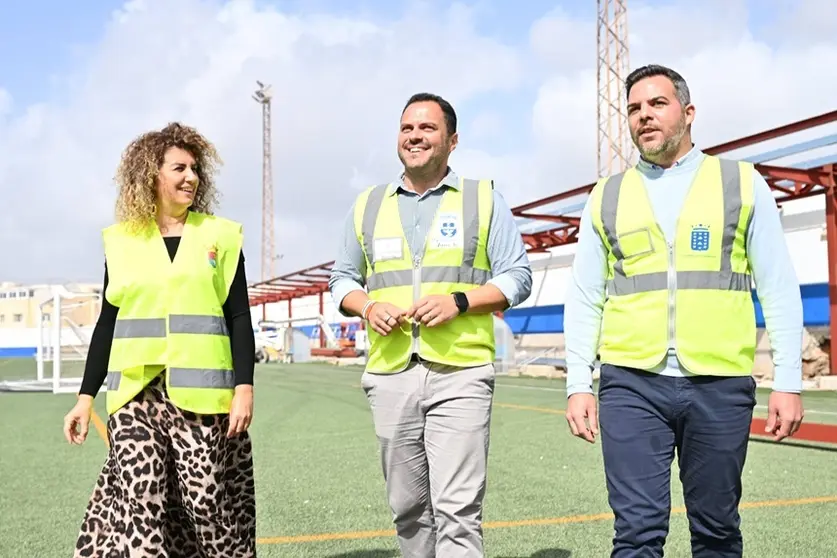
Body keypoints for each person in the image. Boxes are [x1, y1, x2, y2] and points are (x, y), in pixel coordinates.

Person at [563, 64, 805, 557]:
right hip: (631, 382)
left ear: (688, 113)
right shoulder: (605, 196)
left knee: (716, 529)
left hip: (719, 383)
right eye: (633, 109)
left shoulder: (742, 183)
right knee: (636, 532)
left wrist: (790, 381)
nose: (643, 116)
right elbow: (586, 295)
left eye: (657, 104)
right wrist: (576, 383)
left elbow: (777, 287)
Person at [328, 92, 532, 557]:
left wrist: (460, 301)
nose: (415, 136)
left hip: (459, 372)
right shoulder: (367, 206)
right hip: (390, 373)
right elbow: (342, 279)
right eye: (407, 128)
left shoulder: (483, 199)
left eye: (427, 128)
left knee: (458, 510)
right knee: (408, 508)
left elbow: (517, 277)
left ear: (452, 140)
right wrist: (366, 307)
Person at [62, 122, 258, 557]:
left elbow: (239, 317)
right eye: (179, 168)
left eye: (194, 169)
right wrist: (84, 396)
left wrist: (243, 386)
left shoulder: (220, 237)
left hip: (204, 396)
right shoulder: (122, 241)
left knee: (208, 504)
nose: (191, 177)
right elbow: (108, 322)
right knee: (140, 501)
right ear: (151, 174)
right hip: (135, 394)